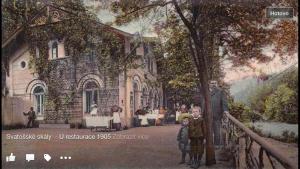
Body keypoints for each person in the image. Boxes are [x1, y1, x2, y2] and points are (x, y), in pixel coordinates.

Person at [209, 80, 229, 149]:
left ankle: (216, 145)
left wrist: (225, 110)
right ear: (209, 84)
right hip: (207, 115)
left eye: (215, 83)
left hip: (217, 114)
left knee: (217, 130)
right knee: (208, 130)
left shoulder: (220, 91)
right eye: (212, 83)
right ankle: (209, 144)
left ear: (217, 84)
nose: (213, 84)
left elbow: (224, 102)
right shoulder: (207, 92)